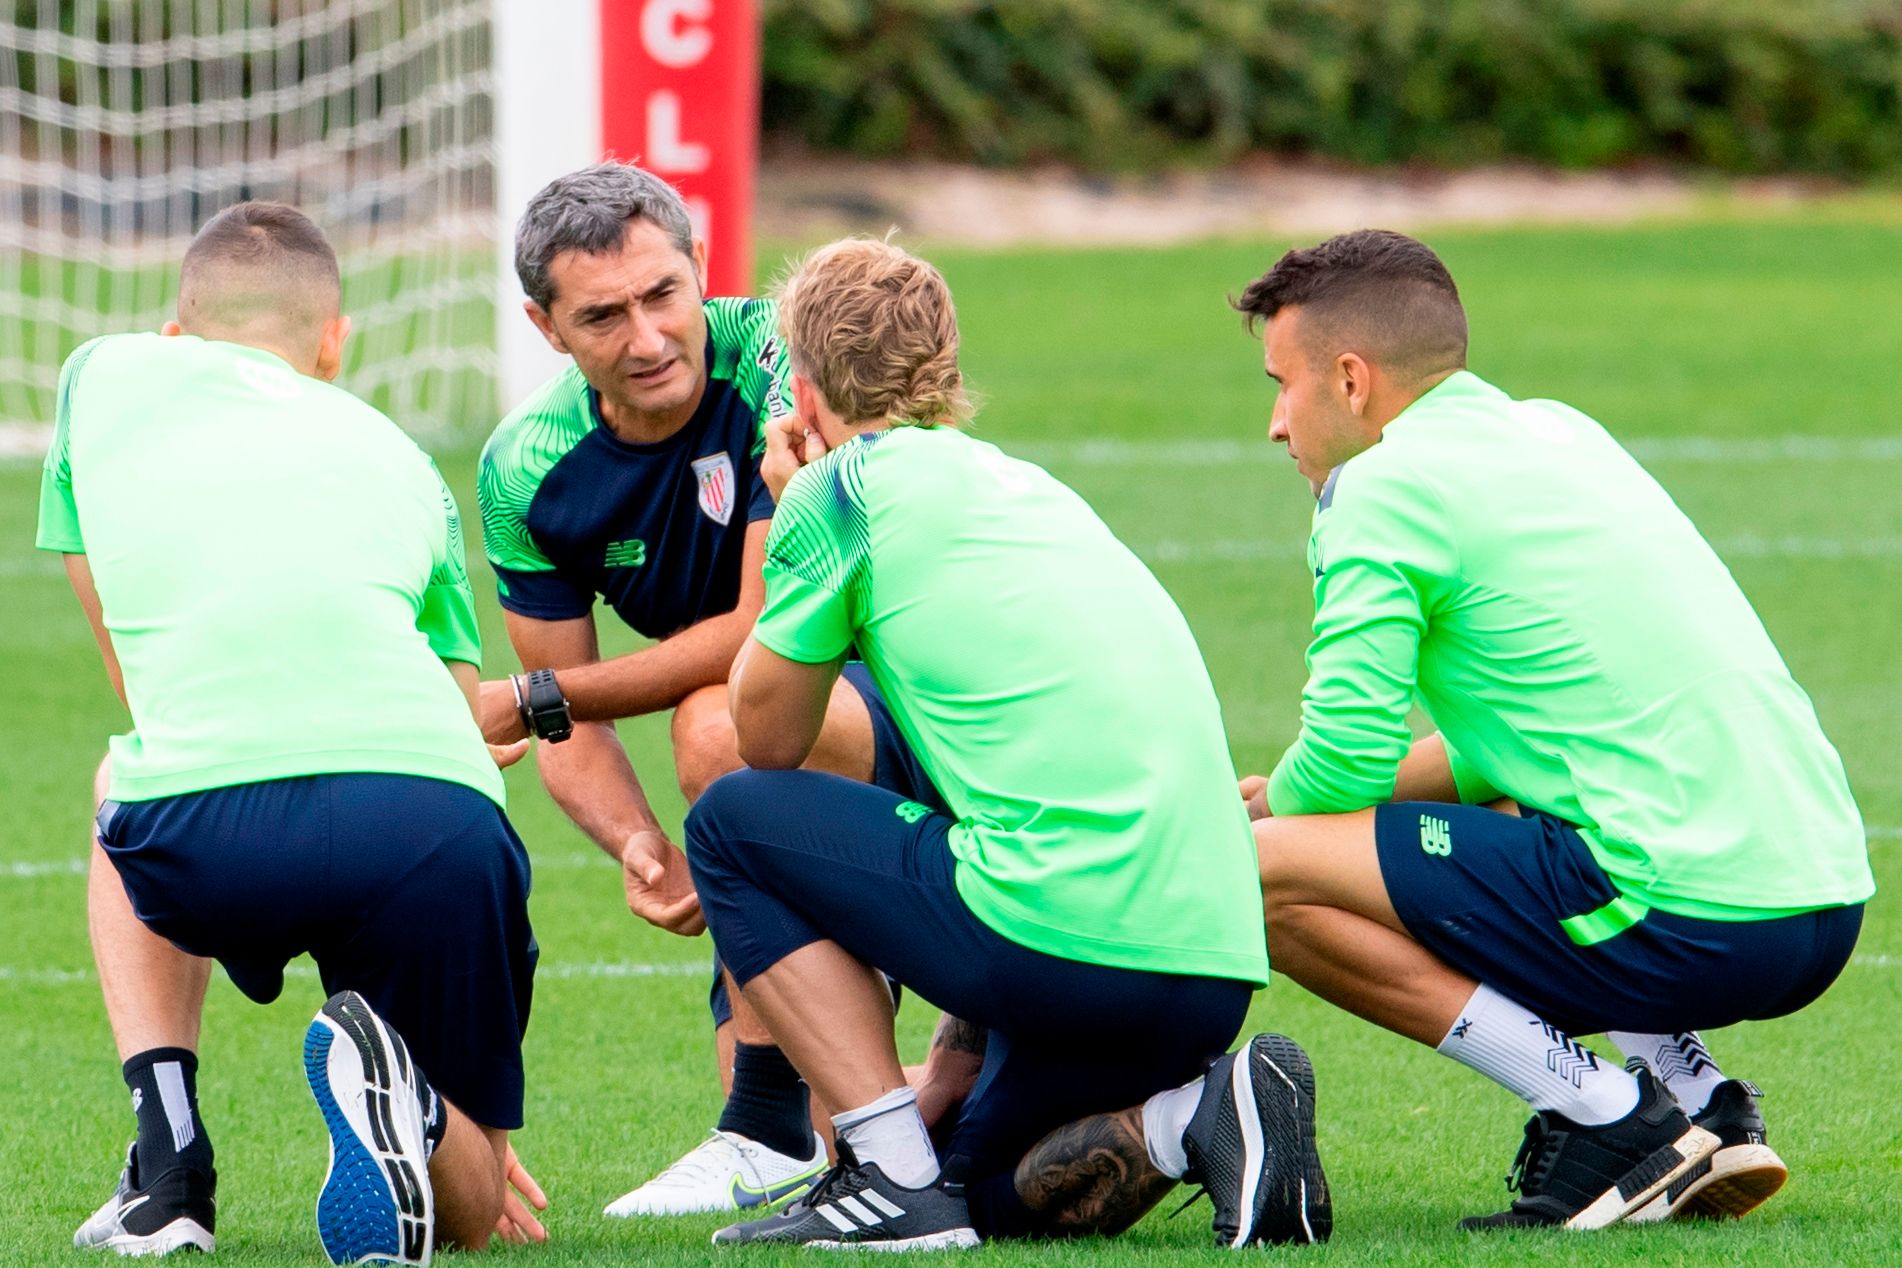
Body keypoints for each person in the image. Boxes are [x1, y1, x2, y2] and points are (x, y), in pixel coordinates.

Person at [679, 238, 1328, 1251]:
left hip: (1062, 941)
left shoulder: (837, 492)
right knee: (978, 1188)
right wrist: (950, 1062)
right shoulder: (1028, 487)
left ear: (800, 387)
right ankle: (1195, 1117)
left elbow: (760, 733)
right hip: (1209, 970)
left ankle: (883, 1167)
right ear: (942, 364)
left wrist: (788, 505)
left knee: (727, 819)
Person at [1236, 229, 1873, 1230]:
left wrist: (1269, 815)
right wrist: (1284, 794)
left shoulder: (1381, 487)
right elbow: (1508, 752)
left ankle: (1605, 1111)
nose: (1276, 422)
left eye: (1282, 383)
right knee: (1488, 798)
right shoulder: (1562, 432)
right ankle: (1702, 1099)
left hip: (1695, 916)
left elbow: (1348, 758)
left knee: (1252, 872)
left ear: (1351, 380)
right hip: (1825, 897)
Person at [41, 202, 546, 1263]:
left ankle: (168, 1159)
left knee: (122, 772)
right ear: (336, 343)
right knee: (474, 1209)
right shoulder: (405, 460)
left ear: (178, 337)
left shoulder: (102, 379)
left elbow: (143, 680)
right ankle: (417, 1111)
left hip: (210, 806)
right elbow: (462, 711)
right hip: (436, 808)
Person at [476, 161, 941, 1217]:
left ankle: (764, 1122)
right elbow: (568, 718)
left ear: (700, 270)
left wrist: (537, 696)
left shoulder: (787, 355)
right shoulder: (525, 470)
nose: (645, 338)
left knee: (721, 721)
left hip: (937, 699)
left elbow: (751, 631)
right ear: (548, 330)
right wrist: (641, 843)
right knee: (860, 1136)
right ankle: (791, 1119)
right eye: (603, 315)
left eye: (661, 295)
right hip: (808, 730)